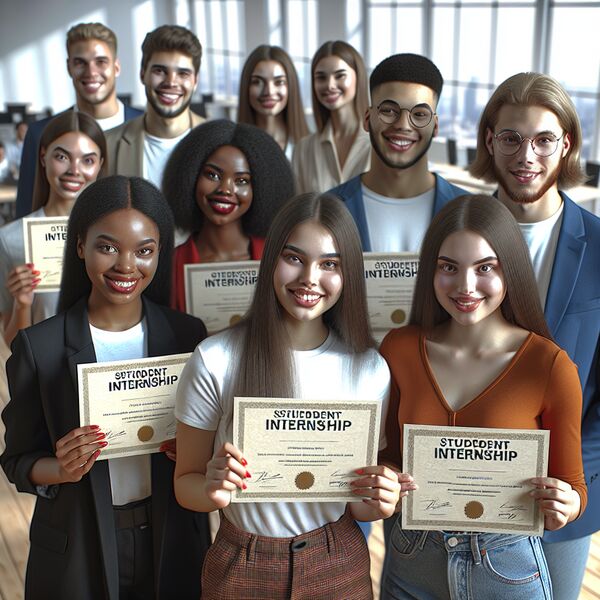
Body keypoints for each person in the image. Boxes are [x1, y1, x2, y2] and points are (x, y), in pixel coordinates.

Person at [174, 192, 399, 599]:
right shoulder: (215, 358)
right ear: (270, 259)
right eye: (294, 258)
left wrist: (382, 503)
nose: (310, 278)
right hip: (240, 562)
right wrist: (211, 488)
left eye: (329, 264)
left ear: (348, 275)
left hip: (338, 562)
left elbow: (358, 505)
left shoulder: (369, 368)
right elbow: (185, 484)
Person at [1, 175, 210, 600]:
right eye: (108, 246)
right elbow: (17, 461)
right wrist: (60, 468)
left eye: (144, 251)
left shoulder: (187, 336)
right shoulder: (38, 346)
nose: (126, 265)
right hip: (77, 546)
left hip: (173, 538)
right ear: (80, 246)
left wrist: (191, 450)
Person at [378, 195, 587, 599]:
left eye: (485, 267)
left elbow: (573, 484)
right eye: (448, 267)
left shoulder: (549, 365)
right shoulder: (398, 348)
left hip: (505, 565)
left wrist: (567, 505)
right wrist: (386, 480)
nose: (465, 286)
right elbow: (388, 456)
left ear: (511, 269)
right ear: (431, 271)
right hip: (412, 558)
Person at [469, 72, 600, 599]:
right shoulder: (455, 233)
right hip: (459, 481)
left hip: (560, 500)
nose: (527, 155)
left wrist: (572, 485)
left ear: (566, 144)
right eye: (511, 138)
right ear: (489, 141)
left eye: (544, 139)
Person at [330, 53, 465, 253]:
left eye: (419, 114)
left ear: (435, 126)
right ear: (367, 119)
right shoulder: (328, 210)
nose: (403, 125)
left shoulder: (469, 212)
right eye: (389, 111)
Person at [162, 119, 294, 312]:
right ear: (190, 177)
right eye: (212, 175)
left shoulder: (278, 260)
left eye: (241, 181)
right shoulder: (169, 266)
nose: (225, 189)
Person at [0, 110, 106, 346]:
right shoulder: (11, 239)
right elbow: (10, 345)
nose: (74, 170)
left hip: (104, 373)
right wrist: (22, 304)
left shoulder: (116, 235)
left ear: (100, 165)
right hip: (46, 378)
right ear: (43, 156)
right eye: (62, 157)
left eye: (87, 160)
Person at [15, 22, 142, 218]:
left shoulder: (145, 127)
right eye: (80, 62)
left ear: (116, 67)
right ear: (69, 67)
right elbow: (26, 213)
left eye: (101, 62)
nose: (91, 72)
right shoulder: (40, 133)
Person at [105, 25, 204, 189]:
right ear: (143, 74)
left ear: (195, 81)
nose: (171, 82)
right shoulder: (108, 145)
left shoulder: (218, 142)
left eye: (183, 74)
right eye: (160, 71)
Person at [292, 40, 370, 193]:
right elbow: (300, 212)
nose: (329, 85)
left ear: (358, 77)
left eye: (340, 76)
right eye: (321, 78)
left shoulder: (380, 144)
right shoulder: (303, 149)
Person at [237, 45, 309, 160]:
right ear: (246, 87)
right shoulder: (234, 147)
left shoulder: (310, 147)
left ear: (291, 86)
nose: (269, 92)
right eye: (257, 82)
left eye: (279, 82)